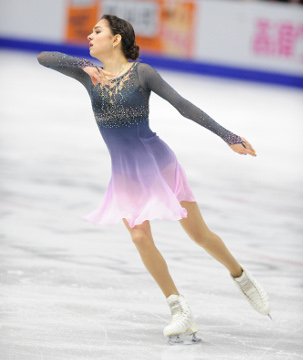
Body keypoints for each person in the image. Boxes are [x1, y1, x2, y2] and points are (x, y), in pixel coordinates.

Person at [37, 14, 271, 345]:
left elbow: (182, 106)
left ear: (116, 39)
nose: (90, 36)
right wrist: (82, 65)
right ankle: (179, 308)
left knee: (199, 235)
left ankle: (241, 276)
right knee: (139, 237)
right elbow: (44, 57)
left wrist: (227, 135)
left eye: (97, 31)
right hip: (125, 173)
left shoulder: (141, 73)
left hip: (159, 164)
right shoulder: (89, 76)